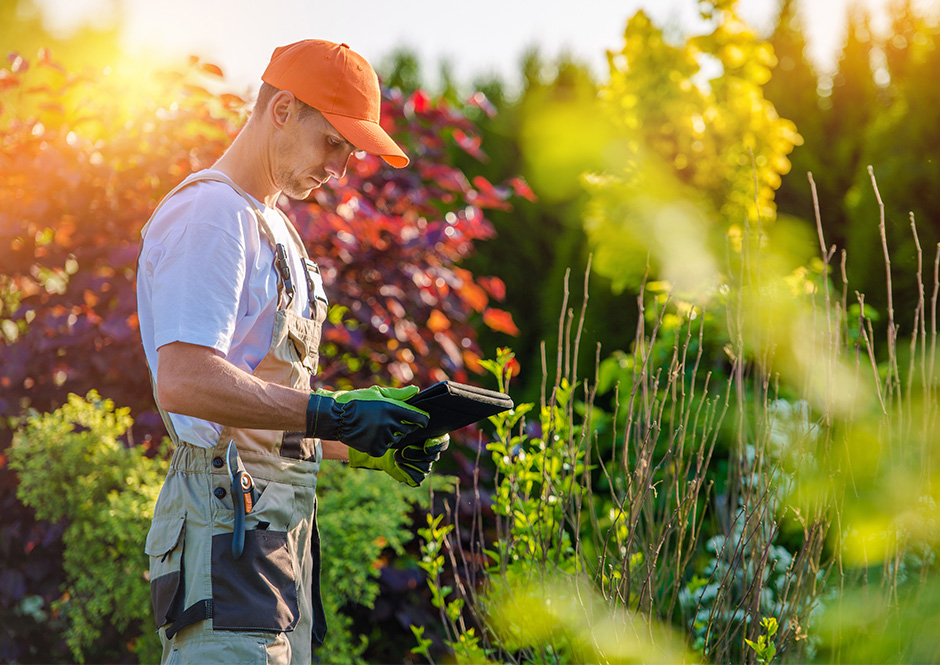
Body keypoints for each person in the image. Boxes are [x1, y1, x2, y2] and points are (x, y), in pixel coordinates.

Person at [136, 39, 448, 665]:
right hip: (226, 534)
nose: (340, 168)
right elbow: (184, 380)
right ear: (281, 110)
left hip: (274, 544)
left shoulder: (274, 226)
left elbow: (265, 416)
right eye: (332, 141)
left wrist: (362, 438)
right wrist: (331, 413)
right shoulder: (212, 214)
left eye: (350, 151)